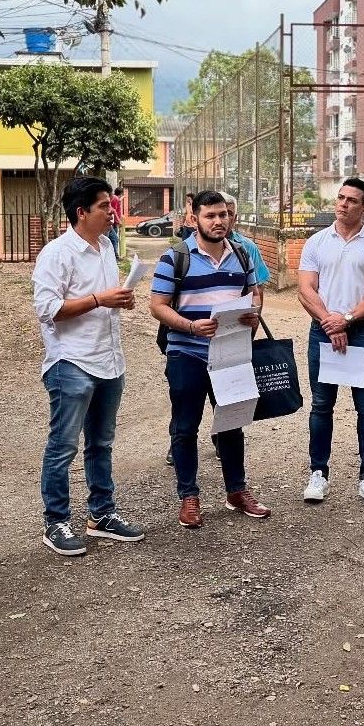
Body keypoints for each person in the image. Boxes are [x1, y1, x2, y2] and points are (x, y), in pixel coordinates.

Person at [32, 176, 143, 556]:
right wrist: (99, 299)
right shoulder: (56, 254)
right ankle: (56, 521)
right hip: (72, 361)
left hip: (109, 360)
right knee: (63, 445)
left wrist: (119, 300)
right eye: (104, 207)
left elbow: (105, 299)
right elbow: (48, 311)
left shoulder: (107, 247)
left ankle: (101, 514)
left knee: (101, 443)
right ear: (81, 213)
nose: (113, 213)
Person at [149, 190, 269, 529]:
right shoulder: (175, 257)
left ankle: (236, 491)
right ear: (195, 218)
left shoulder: (242, 255)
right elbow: (157, 305)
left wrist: (254, 314)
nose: (218, 221)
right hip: (186, 352)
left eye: (223, 215)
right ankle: (189, 497)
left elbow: (254, 294)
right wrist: (190, 325)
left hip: (230, 354)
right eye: (210, 216)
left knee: (231, 423)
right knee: (185, 427)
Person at [297, 177, 364, 508]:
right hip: (323, 330)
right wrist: (330, 321)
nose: (343, 204)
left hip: (361, 332)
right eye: (340, 198)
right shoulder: (316, 242)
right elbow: (306, 289)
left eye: (352, 200)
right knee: (321, 405)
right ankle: (318, 474)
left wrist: (348, 319)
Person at [108, 186, 124, 260]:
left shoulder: (115, 198)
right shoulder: (116, 199)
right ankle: (115, 256)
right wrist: (119, 221)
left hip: (112, 221)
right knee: (114, 239)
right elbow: (115, 210)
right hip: (113, 222)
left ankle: (115, 256)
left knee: (112, 239)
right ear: (120, 193)